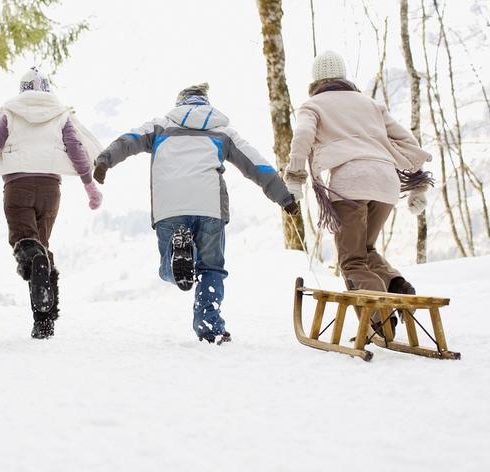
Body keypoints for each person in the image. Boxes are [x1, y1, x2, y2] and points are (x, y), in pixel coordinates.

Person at [94, 83, 298, 345]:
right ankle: (209, 326)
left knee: (170, 270)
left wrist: (104, 160)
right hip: (209, 207)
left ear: (180, 104)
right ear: (206, 103)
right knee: (211, 268)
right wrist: (285, 198)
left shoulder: (160, 126)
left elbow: (128, 141)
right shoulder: (223, 132)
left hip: (171, 208)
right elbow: (256, 164)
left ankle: (176, 264)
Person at [0, 67, 102, 339]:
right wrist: (89, 186)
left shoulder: (11, 114)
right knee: (42, 248)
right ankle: (44, 323)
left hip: (18, 187)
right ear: (47, 90)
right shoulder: (61, 115)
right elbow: (77, 150)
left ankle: (35, 266)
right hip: (50, 189)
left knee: (26, 244)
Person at [283, 50, 432, 332]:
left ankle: (380, 319)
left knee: (351, 261)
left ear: (315, 80)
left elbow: (302, 137)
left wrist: (294, 177)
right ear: (344, 77)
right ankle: (396, 283)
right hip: (386, 182)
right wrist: (418, 184)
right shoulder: (371, 104)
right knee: (364, 249)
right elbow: (408, 140)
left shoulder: (313, 105)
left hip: (350, 184)